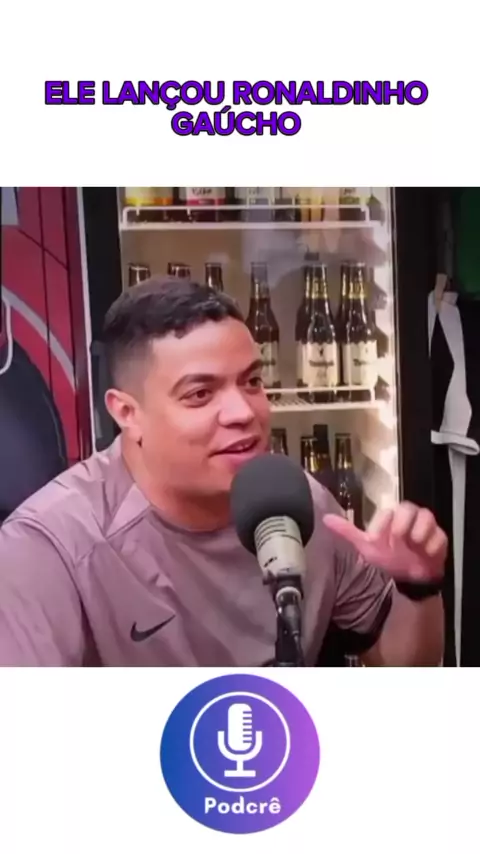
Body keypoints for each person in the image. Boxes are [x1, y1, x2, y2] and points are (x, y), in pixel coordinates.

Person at [0, 277, 447, 666]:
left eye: (252, 382)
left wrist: (418, 587)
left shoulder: (300, 505)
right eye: (200, 394)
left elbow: (404, 667)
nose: (244, 412)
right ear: (127, 413)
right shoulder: (49, 548)